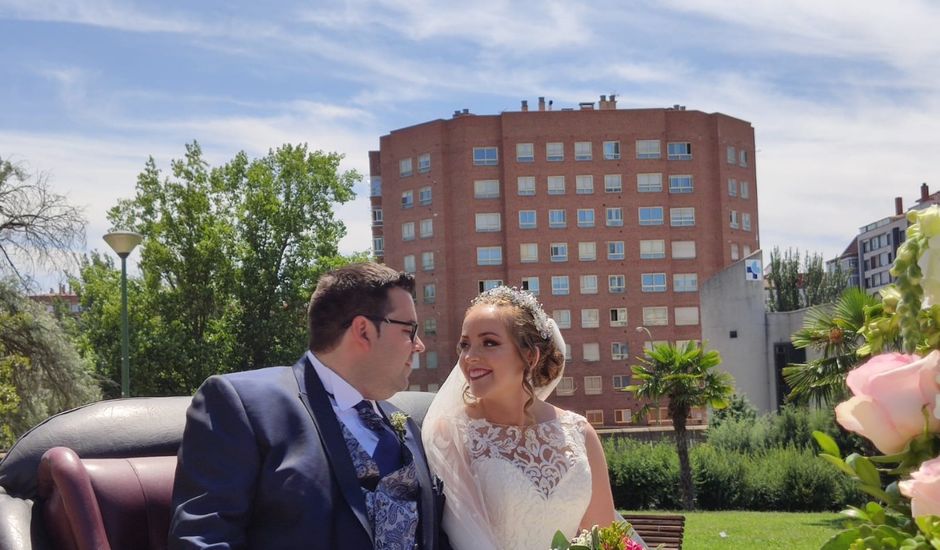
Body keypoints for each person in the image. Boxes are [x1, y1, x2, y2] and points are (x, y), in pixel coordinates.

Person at [169, 262, 449, 550]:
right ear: (363, 331)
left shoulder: (408, 424)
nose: (419, 346)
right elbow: (203, 540)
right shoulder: (241, 405)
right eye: (409, 330)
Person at [423, 286, 643, 550]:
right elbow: (469, 539)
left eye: (489, 342)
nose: (470, 357)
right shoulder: (450, 433)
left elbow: (604, 536)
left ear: (529, 356)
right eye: (465, 344)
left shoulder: (580, 432)